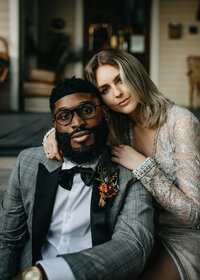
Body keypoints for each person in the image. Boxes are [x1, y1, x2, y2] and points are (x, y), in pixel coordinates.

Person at [43, 49, 200, 280]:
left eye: (120, 80)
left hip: (182, 235)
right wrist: (53, 134)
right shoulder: (117, 127)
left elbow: (194, 214)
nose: (117, 93)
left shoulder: (181, 122)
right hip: (133, 229)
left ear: (135, 75)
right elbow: (79, 128)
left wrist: (144, 167)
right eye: (105, 89)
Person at [0, 77, 154, 280]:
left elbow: (133, 247)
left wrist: (45, 274)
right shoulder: (27, 163)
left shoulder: (130, 174)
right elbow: (7, 238)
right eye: (65, 116)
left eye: (87, 110)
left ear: (104, 112)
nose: (77, 123)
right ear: (55, 124)